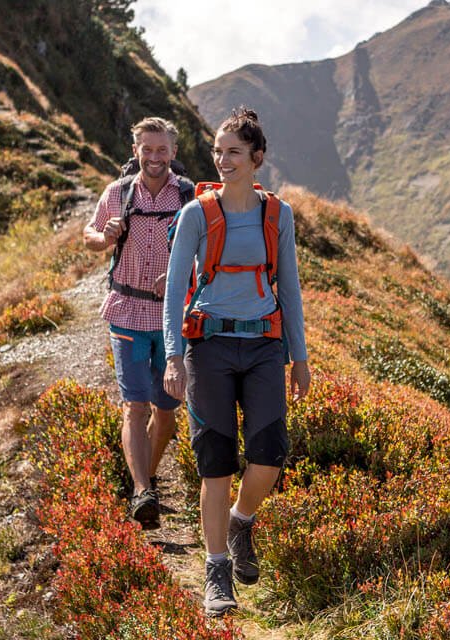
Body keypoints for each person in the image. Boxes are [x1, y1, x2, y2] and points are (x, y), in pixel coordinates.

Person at [162, 107, 310, 617]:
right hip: (210, 347)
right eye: (218, 152)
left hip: (266, 346)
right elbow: (176, 289)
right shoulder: (196, 215)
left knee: (270, 453)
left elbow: (288, 288)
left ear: (257, 158)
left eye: (234, 152)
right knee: (217, 464)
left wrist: (300, 358)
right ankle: (217, 571)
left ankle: (242, 520)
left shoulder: (279, 215)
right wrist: (173, 357)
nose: (223, 160)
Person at [82, 117, 195, 531]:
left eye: (161, 149)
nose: (154, 157)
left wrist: (187, 275)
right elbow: (89, 235)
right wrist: (106, 237)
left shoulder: (188, 197)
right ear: (136, 151)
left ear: (173, 153)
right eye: (147, 149)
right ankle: (143, 490)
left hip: (171, 319)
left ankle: (139, 480)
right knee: (135, 406)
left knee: (166, 411)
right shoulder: (117, 194)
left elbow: (207, 249)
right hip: (127, 312)